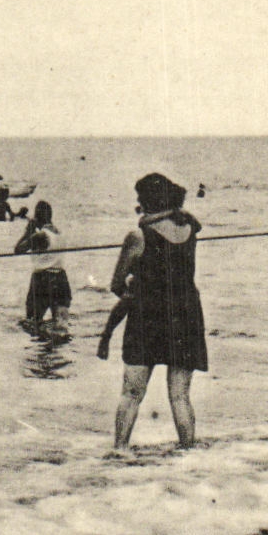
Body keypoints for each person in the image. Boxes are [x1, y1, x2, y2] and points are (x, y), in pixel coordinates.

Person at [112, 173, 207, 450]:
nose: (138, 203)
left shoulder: (138, 235)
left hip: (149, 316)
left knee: (132, 393)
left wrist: (131, 284)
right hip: (187, 312)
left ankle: (119, 452)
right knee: (180, 396)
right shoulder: (189, 226)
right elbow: (192, 221)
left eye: (140, 198)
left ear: (148, 201)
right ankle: (189, 452)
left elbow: (116, 284)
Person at [97, 194, 200, 360]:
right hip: (177, 303)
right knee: (132, 293)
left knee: (131, 294)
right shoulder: (182, 223)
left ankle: (106, 336)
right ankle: (106, 335)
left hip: (150, 297)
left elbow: (117, 286)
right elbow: (196, 225)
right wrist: (170, 213)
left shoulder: (149, 227)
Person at [15, 200, 69, 323]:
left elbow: (18, 249)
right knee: (61, 322)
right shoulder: (60, 234)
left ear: (38, 217)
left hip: (42, 280)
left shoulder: (41, 236)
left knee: (32, 321)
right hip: (61, 279)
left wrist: (28, 231)